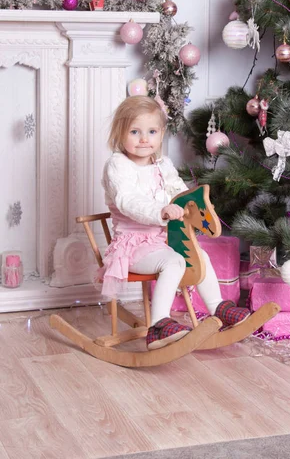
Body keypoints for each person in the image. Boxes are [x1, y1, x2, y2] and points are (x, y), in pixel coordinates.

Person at [100, 95, 250, 350]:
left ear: (161, 134)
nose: (144, 139)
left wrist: (194, 206)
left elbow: (179, 192)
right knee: (174, 261)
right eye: (135, 131)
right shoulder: (118, 165)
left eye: (151, 131)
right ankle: (158, 325)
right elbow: (129, 200)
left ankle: (218, 309)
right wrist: (162, 211)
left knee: (198, 254)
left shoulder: (163, 165)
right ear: (119, 133)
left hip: (164, 240)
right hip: (133, 246)